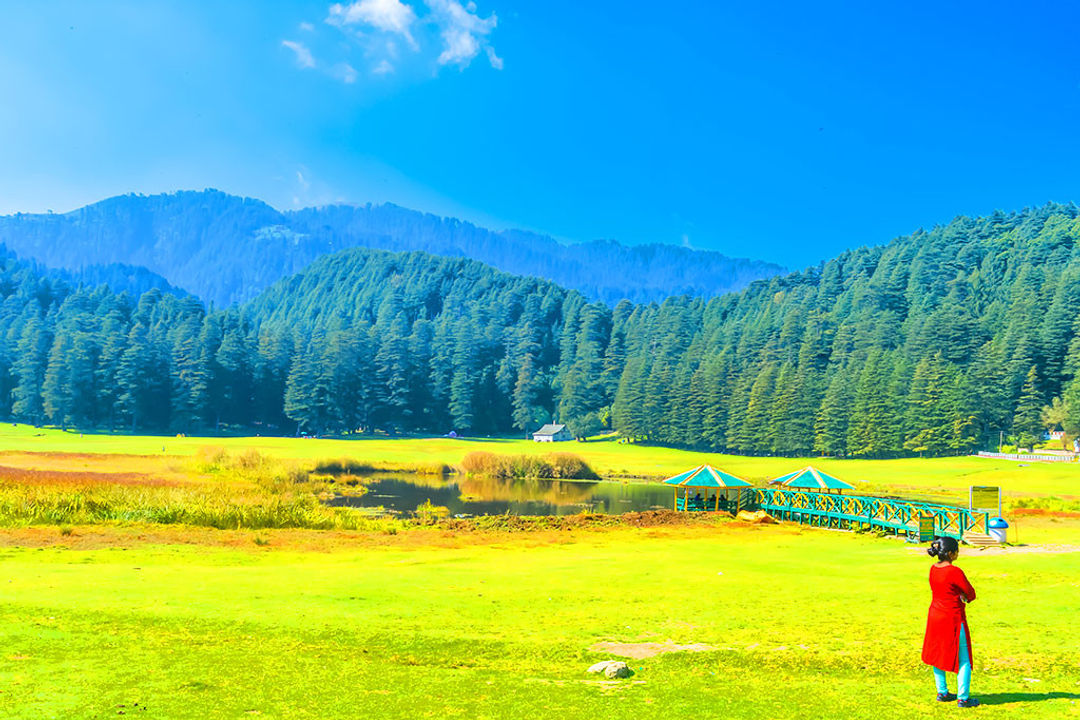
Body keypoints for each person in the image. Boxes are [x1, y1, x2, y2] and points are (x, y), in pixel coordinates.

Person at [922, 536, 979, 708]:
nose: (957, 554)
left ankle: (943, 692)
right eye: (956, 551)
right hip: (952, 618)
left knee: (937, 655)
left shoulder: (933, 569)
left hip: (935, 616)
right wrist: (963, 596)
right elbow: (971, 593)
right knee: (964, 658)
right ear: (950, 553)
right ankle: (963, 697)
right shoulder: (954, 571)